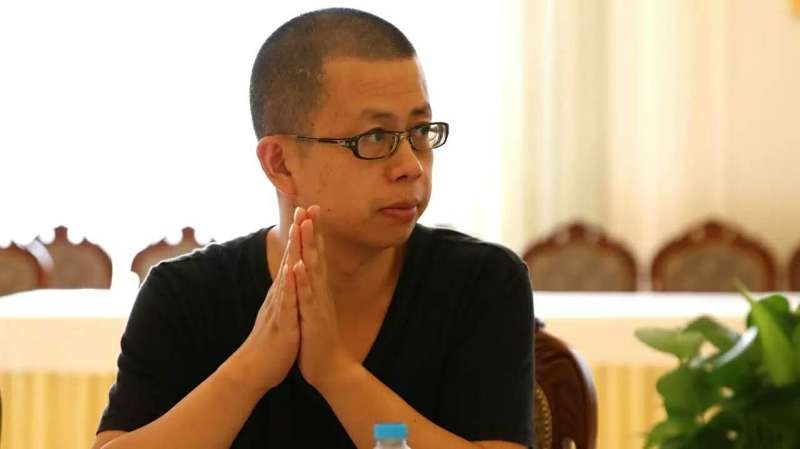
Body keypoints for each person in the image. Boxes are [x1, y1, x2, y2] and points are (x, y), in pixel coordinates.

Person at [92, 7, 534, 449]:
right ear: (281, 164)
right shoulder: (184, 294)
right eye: (375, 138)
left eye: (420, 131)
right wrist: (250, 369)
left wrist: (337, 374)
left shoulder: (481, 282)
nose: (411, 166)